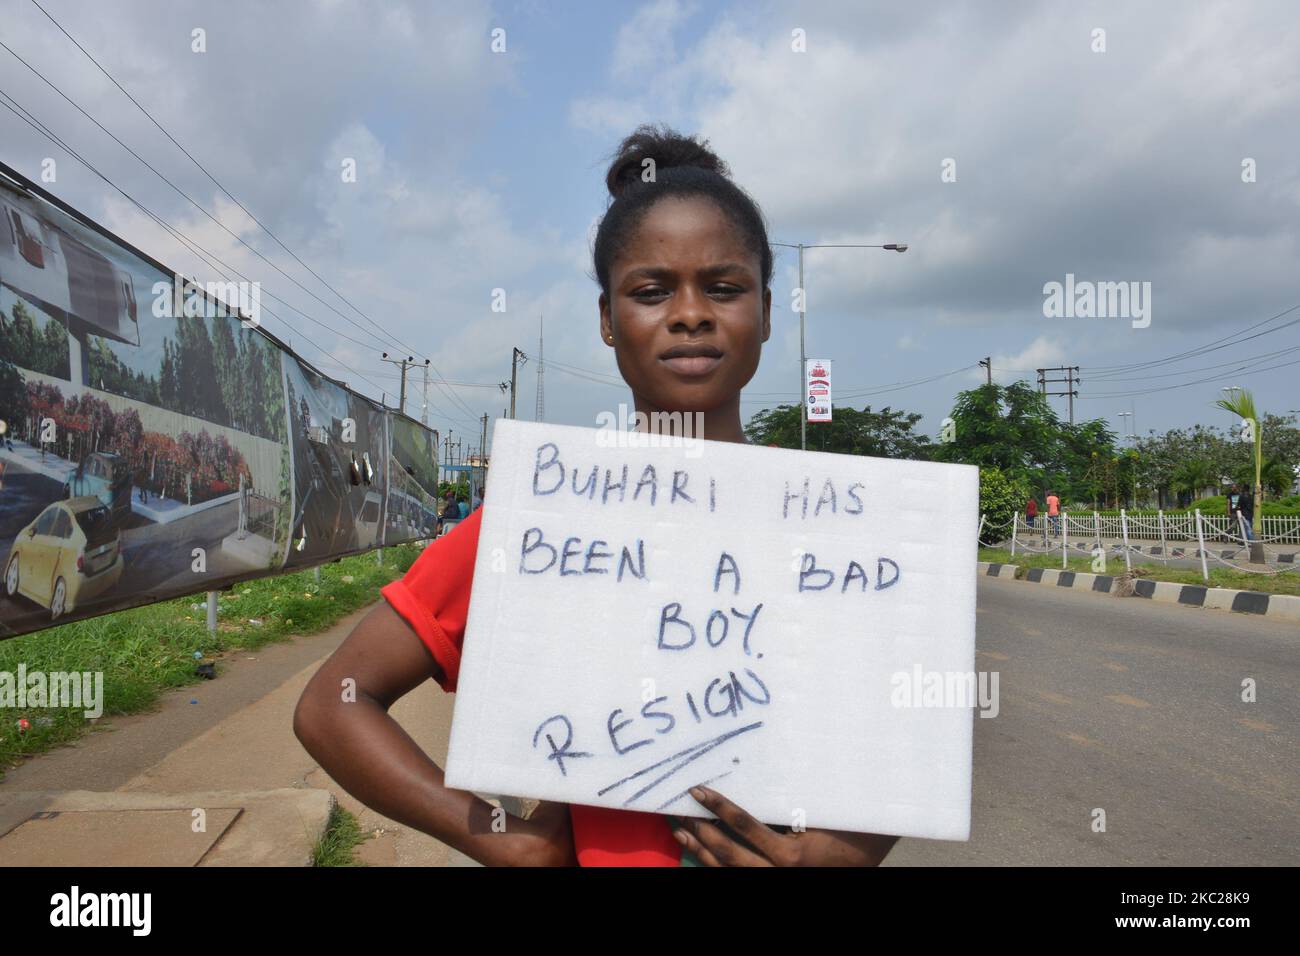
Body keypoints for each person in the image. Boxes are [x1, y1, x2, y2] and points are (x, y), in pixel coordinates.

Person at [294, 125, 899, 867]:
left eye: (724, 286)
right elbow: (333, 705)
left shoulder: (840, 523)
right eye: (651, 291)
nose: (689, 313)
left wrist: (842, 851)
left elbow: (913, 730)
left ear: (767, 312)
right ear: (609, 321)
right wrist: (494, 837)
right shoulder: (539, 520)